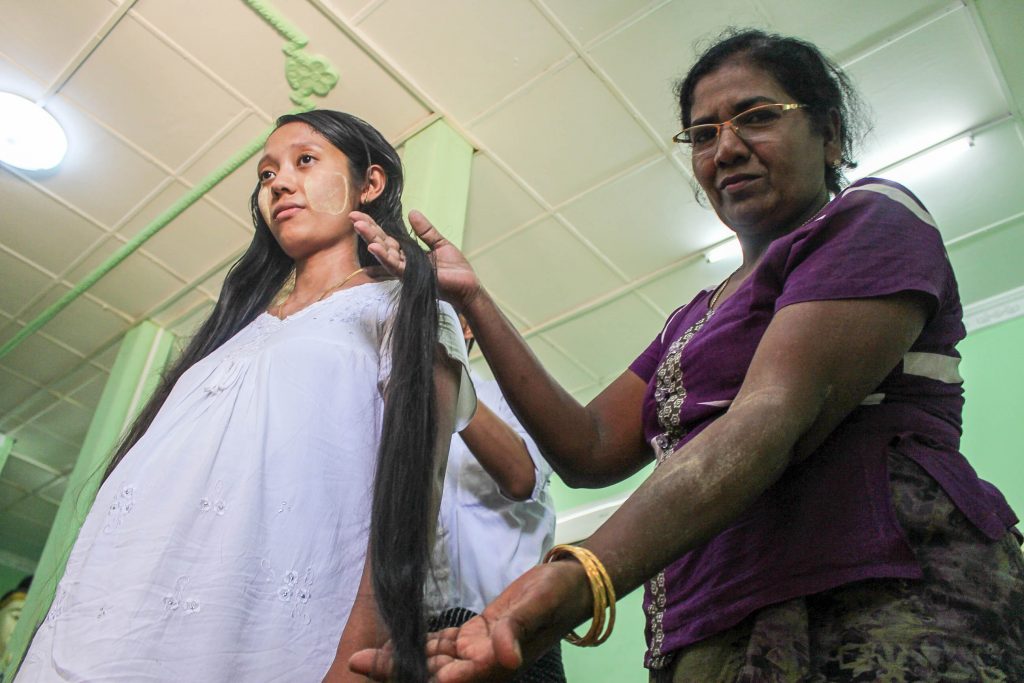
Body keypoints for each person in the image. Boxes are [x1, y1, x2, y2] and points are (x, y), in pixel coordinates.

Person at [349, 28, 1024, 682]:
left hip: (876, 599)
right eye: (703, 134)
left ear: (831, 135)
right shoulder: (691, 320)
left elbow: (772, 414)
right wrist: (475, 302)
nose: (725, 148)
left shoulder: (871, 217)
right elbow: (589, 447)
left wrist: (567, 582)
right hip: (705, 629)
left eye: (756, 116)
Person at [14, 110, 475, 682]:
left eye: (305, 160)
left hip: (258, 635)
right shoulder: (234, 330)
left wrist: (358, 660)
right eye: (265, 173)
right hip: (103, 624)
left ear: (370, 182)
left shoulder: (403, 307)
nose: (278, 182)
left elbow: (413, 495)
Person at [425, 319, 563, 682]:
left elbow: (521, 477)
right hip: (421, 641)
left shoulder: (508, 397)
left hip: (516, 630)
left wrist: (443, 374)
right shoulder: (387, 418)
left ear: (466, 328)